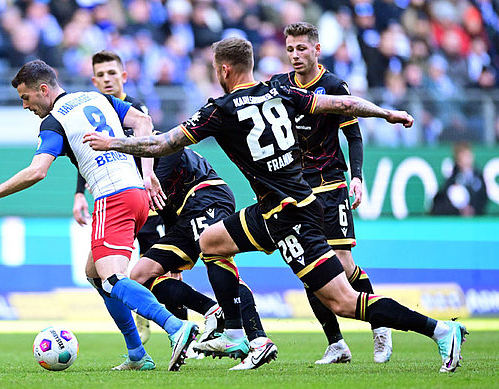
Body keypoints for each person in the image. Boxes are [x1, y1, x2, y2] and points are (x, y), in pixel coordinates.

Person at [83, 37, 468, 373]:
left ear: (223, 69)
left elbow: (161, 144)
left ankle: (439, 330)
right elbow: (342, 103)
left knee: (344, 302)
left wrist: (113, 142)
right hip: (273, 209)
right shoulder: (279, 91)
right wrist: (385, 112)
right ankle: (235, 333)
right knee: (212, 241)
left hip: (292, 216)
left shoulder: (221, 109)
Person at [0, 59, 198, 372]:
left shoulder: (55, 120)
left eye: (26, 97)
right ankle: (138, 354)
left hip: (113, 197)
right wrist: (146, 173)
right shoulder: (97, 98)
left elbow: (37, 171)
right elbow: (143, 121)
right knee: (96, 274)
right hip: (138, 196)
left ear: (43, 90)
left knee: (113, 279)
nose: (24, 105)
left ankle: (176, 328)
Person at [75, 51, 277, 369]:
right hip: (185, 214)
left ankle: (255, 337)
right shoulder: (128, 166)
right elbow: (165, 207)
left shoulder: (155, 150)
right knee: (141, 274)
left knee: (219, 258)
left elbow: (164, 164)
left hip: (208, 198)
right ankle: (208, 314)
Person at [270, 22, 391, 364]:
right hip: (295, 189)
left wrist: (357, 177)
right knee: (310, 267)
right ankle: (336, 343)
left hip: (330, 184)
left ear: (316, 50)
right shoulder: (279, 86)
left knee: (342, 263)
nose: (295, 55)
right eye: (290, 49)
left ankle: (380, 325)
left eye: (302, 49)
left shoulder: (334, 86)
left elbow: (353, 135)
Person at [71, 50, 167, 345]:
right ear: (93, 80)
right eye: (100, 75)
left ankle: (176, 326)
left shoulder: (133, 110)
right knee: (110, 272)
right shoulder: (94, 110)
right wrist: (78, 192)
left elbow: (150, 144)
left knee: (161, 268)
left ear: (123, 76)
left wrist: (148, 177)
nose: (106, 79)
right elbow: (88, 152)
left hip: (142, 195)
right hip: (117, 196)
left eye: (111, 73)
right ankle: (149, 329)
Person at [431, 141, 488, 216]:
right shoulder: (452, 178)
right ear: (458, 160)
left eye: (468, 156)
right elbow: (443, 198)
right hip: (456, 217)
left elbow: (483, 197)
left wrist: (473, 209)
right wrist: (460, 210)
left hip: (475, 217)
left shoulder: (478, 176)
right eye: (464, 156)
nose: (467, 159)